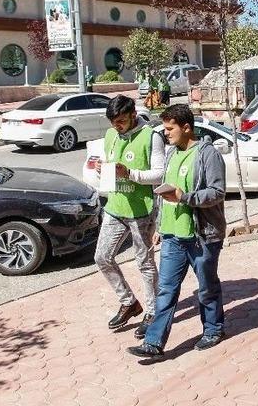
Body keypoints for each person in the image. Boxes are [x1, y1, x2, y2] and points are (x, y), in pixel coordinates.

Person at [127, 104, 227, 358]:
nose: (166, 133)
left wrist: (185, 197)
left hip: (201, 235)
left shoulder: (207, 154)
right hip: (172, 236)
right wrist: (160, 226)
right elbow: (164, 192)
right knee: (167, 290)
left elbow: (217, 192)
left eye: (170, 128)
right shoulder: (171, 154)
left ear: (186, 127)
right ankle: (154, 342)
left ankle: (213, 329)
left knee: (206, 286)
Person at [94, 96, 164, 338]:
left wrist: (130, 173)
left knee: (144, 262)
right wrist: (102, 169)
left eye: (121, 121)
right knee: (102, 257)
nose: (118, 127)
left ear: (133, 114)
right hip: (115, 205)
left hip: (141, 210)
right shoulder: (110, 135)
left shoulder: (151, 136)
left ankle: (153, 311)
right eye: (114, 123)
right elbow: (109, 164)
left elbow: (159, 174)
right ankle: (129, 302)